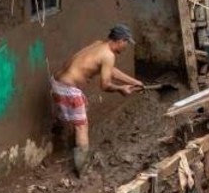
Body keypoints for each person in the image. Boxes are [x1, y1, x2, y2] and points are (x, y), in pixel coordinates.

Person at [51, 24, 143, 175]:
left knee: (75, 119)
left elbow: (111, 70)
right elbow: (105, 85)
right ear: (120, 40)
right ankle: (82, 169)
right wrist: (121, 89)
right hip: (68, 90)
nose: (126, 47)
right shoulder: (108, 55)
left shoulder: (99, 45)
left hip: (57, 83)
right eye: (127, 43)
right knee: (82, 127)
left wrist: (134, 82)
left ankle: (64, 135)